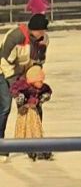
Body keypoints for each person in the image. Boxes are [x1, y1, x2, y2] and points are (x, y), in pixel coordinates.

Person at [0, 14, 49, 161]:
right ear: (32, 29)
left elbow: (38, 62)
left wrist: (35, 83)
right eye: (40, 31)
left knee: (34, 104)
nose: (43, 34)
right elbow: (4, 62)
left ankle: (35, 143)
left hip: (25, 73)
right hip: (4, 72)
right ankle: (1, 146)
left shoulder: (44, 39)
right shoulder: (15, 37)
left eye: (44, 31)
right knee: (5, 107)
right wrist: (15, 85)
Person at [11, 65, 53, 161]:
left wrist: (44, 97)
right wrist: (19, 96)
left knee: (36, 128)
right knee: (28, 128)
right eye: (40, 81)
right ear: (33, 81)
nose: (42, 83)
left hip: (35, 109)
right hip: (25, 110)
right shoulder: (23, 85)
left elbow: (48, 90)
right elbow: (13, 89)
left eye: (42, 81)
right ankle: (30, 146)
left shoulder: (42, 87)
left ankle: (39, 147)